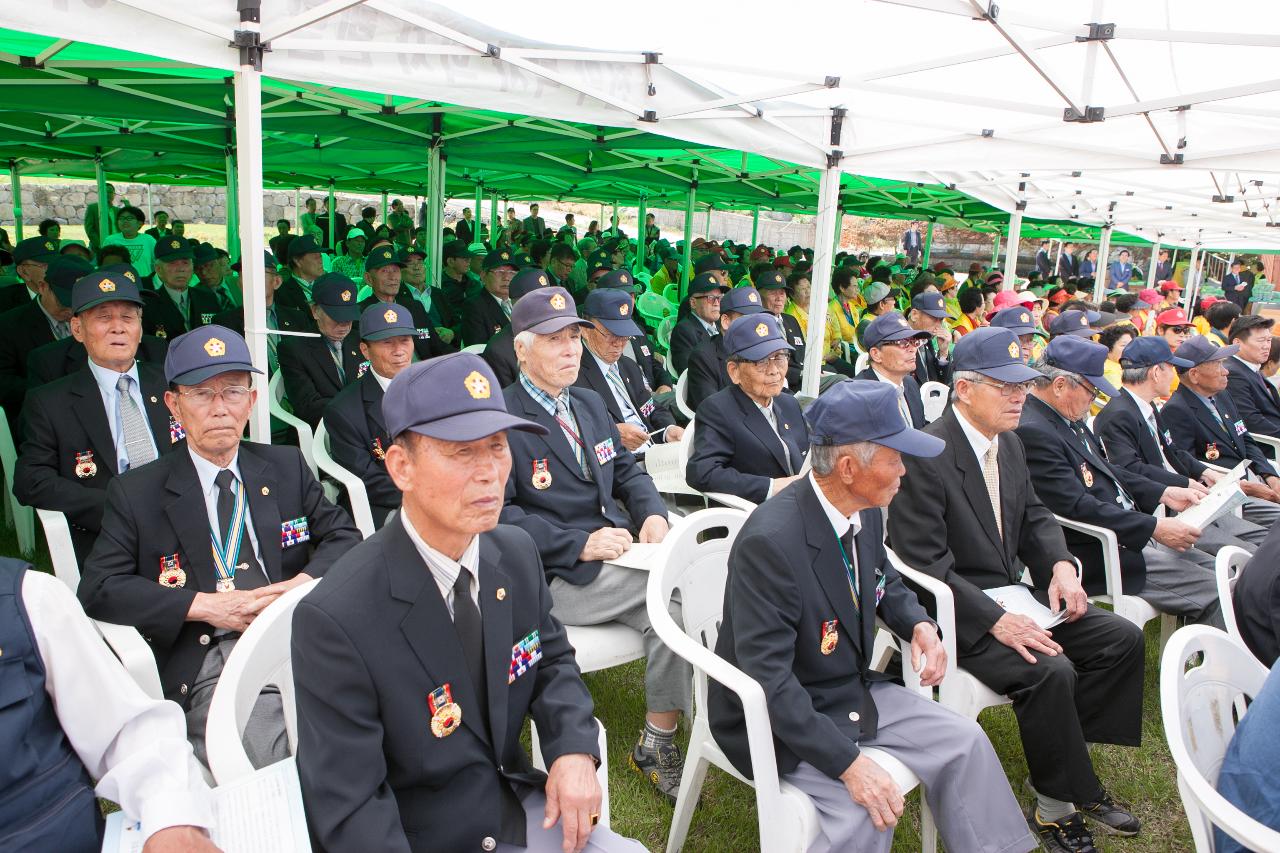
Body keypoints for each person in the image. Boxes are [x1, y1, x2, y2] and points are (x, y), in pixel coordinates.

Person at [295, 353, 646, 853]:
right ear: (401, 467)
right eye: (461, 452)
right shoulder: (337, 617)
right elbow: (352, 810)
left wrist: (572, 751)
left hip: (514, 807)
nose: (489, 473)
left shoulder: (515, 553)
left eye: (498, 447)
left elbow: (551, 664)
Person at [710, 379, 1036, 853]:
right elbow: (770, 682)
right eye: (895, 457)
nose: (905, 469)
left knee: (965, 741)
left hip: (847, 688)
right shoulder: (771, 543)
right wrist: (848, 763)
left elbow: (884, 581)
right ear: (847, 467)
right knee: (867, 810)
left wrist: (918, 624)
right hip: (783, 719)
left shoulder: (866, 509)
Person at [888, 326, 1146, 852]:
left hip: (1013, 595)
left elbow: (1034, 516)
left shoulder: (1008, 443)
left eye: (1022, 385)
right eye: (1004, 386)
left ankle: (1061, 765)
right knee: (1050, 669)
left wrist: (1059, 565)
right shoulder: (927, 454)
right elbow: (925, 565)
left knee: (1120, 639)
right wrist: (997, 621)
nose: (1019, 397)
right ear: (963, 388)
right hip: (959, 610)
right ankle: (1057, 806)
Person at [78, 325, 361, 765]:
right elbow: (99, 588)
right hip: (212, 649)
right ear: (173, 405)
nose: (219, 409)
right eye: (201, 394)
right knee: (271, 753)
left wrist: (297, 585)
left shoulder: (283, 467)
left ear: (251, 401)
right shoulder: (138, 492)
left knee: (361, 722)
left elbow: (343, 536)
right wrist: (204, 606)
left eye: (232, 392)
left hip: (295, 631)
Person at [499, 287, 690, 800]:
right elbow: (497, 516)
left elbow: (625, 471)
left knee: (681, 591)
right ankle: (686, 729)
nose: (570, 350)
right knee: (675, 595)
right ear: (521, 349)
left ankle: (666, 733)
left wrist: (650, 513)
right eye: (553, 339)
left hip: (622, 550)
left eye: (574, 337)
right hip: (554, 574)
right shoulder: (502, 419)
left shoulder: (586, 401)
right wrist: (577, 543)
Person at [0, 557, 220, 852]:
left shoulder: (28, 601)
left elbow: (125, 732)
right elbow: (100, 584)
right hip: (199, 665)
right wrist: (198, 605)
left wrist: (171, 821)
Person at [1015, 336, 1224, 627]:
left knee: (1219, 570)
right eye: (1091, 390)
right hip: (1100, 551)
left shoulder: (1062, 417)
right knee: (1216, 591)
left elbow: (1105, 469)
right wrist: (1154, 527)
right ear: (1060, 385)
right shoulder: (1035, 430)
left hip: (1127, 533)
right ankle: (1219, 668)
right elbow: (1074, 506)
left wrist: (1163, 491)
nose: (1094, 399)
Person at [15, 268, 174, 564]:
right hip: (110, 534)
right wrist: (116, 506)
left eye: (128, 317)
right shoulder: (51, 401)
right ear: (77, 329)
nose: (118, 327)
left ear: (140, 327)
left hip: (185, 520)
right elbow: (31, 479)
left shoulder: (173, 387)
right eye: (103, 317)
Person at [685, 314, 807, 504]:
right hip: (758, 515)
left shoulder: (788, 403)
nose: (774, 370)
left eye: (780, 357)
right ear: (734, 371)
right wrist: (771, 486)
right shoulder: (718, 410)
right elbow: (701, 472)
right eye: (761, 362)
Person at [321, 302, 417, 529]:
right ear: (365, 350)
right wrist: (424, 496)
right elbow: (369, 480)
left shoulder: (436, 389)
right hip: (386, 505)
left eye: (405, 340)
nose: (399, 351)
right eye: (387, 342)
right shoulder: (343, 410)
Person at [576, 288, 680, 455]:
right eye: (610, 335)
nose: (619, 344)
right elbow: (575, 432)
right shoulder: (573, 375)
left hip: (654, 454)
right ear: (585, 331)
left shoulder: (627, 366)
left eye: (625, 335)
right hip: (616, 462)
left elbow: (649, 408)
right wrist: (614, 435)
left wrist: (668, 430)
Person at [277, 272, 364, 427]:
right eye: (336, 317)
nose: (344, 324)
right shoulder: (294, 349)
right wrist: (359, 409)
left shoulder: (360, 341)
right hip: (320, 433)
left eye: (349, 316)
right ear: (315, 311)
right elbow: (308, 406)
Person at [358, 244, 455, 362]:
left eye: (396, 270)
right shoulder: (360, 314)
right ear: (368, 279)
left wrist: (465, 359)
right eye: (384, 271)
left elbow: (437, 346)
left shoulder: (414, 307)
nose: (392, 277)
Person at [686, 285, 766, 411]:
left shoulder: (763, 352)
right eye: (746, 319)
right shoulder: (703, 357)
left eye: (758, 319)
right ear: (726, 322)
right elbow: (712, 408)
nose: (755, 326)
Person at [482, 268, 553, 389]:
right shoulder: (499, 350)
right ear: (516, 303)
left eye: (547, 299)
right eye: (535, 300)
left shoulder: (560, 335)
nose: (544, 306)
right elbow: (506, 401)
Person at [856, 312, 929, 428]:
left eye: (914, 342)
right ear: (876, 354)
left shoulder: (910, 384)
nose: (913, 349)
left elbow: (920, 428)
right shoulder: (858, 396)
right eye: (903, 343)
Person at [142, 237, 222, 341]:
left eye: (185, 263)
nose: (180, 269)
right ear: (158, 269)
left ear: (192, 266)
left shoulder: (208, 298)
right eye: (172, 263)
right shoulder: (147, 306)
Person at [1225, 314, 1280, 438]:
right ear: (1237, 343)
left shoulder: (1251, 367)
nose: (1267, 346)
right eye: (1261, 340)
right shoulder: (1232, 373)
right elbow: (1251, 421)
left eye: (1269, 340)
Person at [668, 271, 728, 375]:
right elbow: (690, 372)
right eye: (710, 298)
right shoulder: (684, 331)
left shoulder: (720, 325)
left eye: (719, 298)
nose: (716, 303)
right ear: (693, 303)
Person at [755, 268, 807, 389]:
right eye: (773, 293)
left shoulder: (790, 320)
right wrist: (799, 374)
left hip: (804, 379)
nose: (779, 298)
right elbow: (765, 363)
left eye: (782, 293)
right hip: (778, 382)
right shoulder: (757, 324)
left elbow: (803, 352)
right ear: (759, 295)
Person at [461, 248, 520, 347]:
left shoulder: (520, 302)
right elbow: (478, 349)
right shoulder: (474, 306)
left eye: (512, 273)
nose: (506, 278)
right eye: (499, 272)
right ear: (483, 276)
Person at [908, 291, 952, 384]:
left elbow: (941, 382)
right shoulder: (898, 342)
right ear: (914, 315)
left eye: (941, 320)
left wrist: (943, 353)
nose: (938, 326)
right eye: (934, 318)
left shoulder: (926, 338)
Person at [100, 206, 157, 279]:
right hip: (118, 282)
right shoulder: (110, 240)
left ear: (140, 223)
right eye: (121, 218)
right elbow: (104, 265)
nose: (125, 221)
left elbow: (156, 263)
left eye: (129, 218)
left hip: (144, 281)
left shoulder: (149, 240)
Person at [84, 182, 119, 251]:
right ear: (100, 194)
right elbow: (89, 229)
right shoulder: (93, 208)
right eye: (105, 192)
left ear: (114, 195)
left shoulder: (117, 210)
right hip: (100, 247)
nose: (108, 194)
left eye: (110, 192)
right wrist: (99, 244)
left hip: (117, 245)